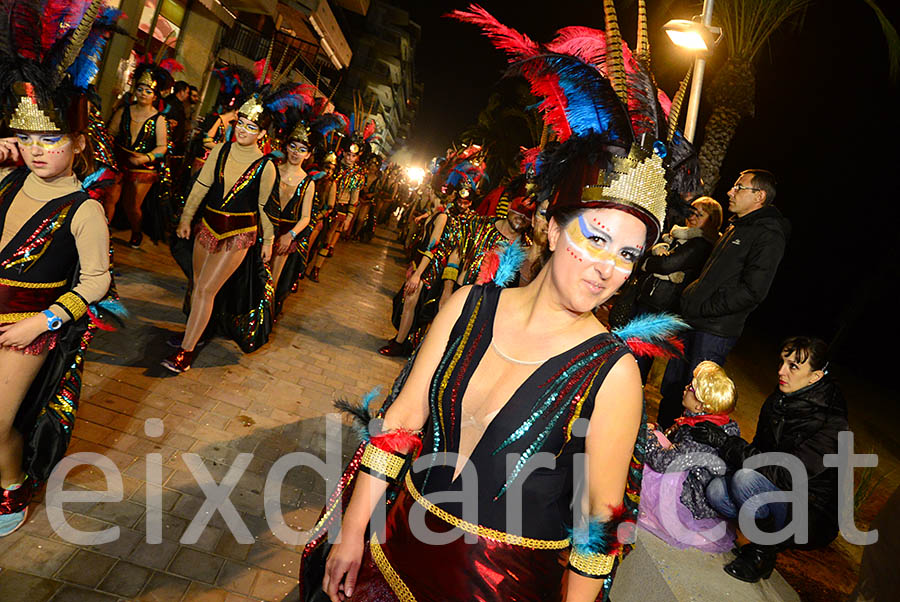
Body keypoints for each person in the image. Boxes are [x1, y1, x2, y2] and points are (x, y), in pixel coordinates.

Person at [300, 5, 696, 599]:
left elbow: (595, 529)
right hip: (387, 557)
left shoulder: (610, 375)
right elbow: (401, 423)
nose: (607, 267)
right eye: (596, 237)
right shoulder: (468, 305)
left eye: (629, 256)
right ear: (548, 225)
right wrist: (353, 530)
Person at [0, 0, 118, 535]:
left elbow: (98, 281)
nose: (37, 150)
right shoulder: (6, 180)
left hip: (25, 329)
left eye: (51, 138)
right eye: (26, 138)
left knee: (0, 423)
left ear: (78, 143)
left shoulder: (83, 209)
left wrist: (43, 321)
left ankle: (11, 488)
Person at [694, 336, 848, 583]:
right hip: (778, 492)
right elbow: (760, 450)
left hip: (809, 512)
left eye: (793, 367)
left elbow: (786, 474)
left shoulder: (831, 423)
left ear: (815, 376)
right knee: (716, 491)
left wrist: (727, 444)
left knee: (744, 480)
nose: (781, 371)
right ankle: (758, 542)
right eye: (783, 362)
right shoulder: (780, 400)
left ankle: (762, 554)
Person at [656, 170, 790, 429]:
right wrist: (690, 296)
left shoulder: (768, 235)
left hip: (714, 331)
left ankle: (677, 457)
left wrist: (706, 307)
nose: (731, 192)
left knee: (698, 401)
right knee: (674, 389)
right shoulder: (736, 225)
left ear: (759, 196)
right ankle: (658, 442)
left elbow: (754, 290)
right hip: (693, 321)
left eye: (739, 187)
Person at [163, 92, 278, 372]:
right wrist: (186, 218)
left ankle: (187, 353)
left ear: (262, 133)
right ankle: (193, 333)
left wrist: (269, 241)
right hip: (207, 225)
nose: (243, 130)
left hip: (239, 234)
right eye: (241, 123)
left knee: (205, 289)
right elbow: (201, 186)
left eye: (252, 127)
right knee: (196, 285)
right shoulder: (220, 150)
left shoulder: (267, 166)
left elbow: (264, 207)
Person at [638, 361, 738, 553]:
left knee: (648, 449)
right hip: (693, 483)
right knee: (657, 437)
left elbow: (664, 463)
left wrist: (648, 435)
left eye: (691, 387)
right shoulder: (707, 421)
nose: (685, 388)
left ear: (700, 404)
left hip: (692, 500)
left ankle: (656, 513)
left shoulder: (701, 433)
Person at [633, 197, 721, 381]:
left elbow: (667, 264)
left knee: (640, 355)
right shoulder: (678, 236)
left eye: (700, 214)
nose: (693, 217)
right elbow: (649, 257)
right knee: (634, 350)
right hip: (650, 298)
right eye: (691, 211)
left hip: (661, 304)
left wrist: (649, 262)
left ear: (711, 221)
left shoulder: (700, 244)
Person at [105, 63, 171, 248]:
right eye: (140, 89)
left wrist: (145, 157)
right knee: (110, 197)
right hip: (118, 160)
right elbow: (111, 134)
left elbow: (162, 147)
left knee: (131, 206)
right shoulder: (123, 111)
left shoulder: (159, 119)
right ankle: (103, 230)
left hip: (142, 167)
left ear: (155, 96)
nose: (142, 93)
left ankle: (136, 231)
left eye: (148, 91)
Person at [266, 117, 315, 315]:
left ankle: (264, 319)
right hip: (264, 229)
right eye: (293, 146)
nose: (296, 153)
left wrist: (290, 235)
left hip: (286, 236)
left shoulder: (308, 183)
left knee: (273, 280)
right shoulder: (272, 171)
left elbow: (305, 217)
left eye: (302, 149)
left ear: (308, 154)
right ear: (286, 147)